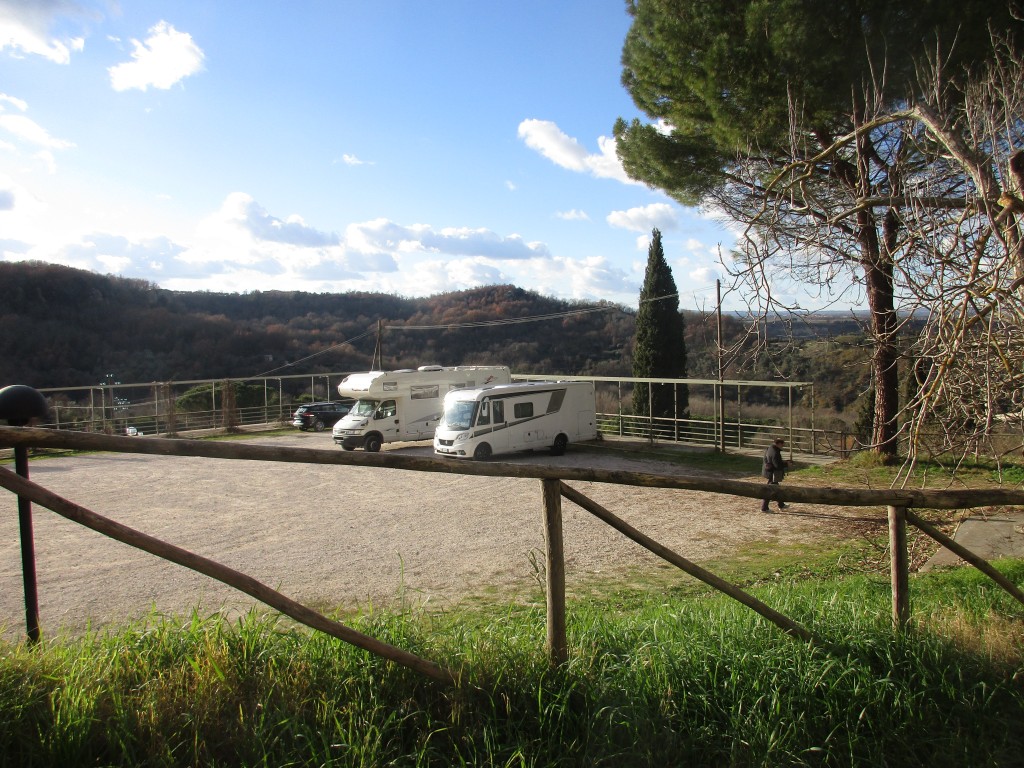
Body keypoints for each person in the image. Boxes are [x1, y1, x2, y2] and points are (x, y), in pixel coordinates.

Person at [761, 437, 790, 512]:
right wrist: (786, 464)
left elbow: (769, 460)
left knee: (776, 489)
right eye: (782, 444)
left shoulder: (769, 448)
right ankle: (764, 508)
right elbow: (777, 465)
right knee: (770, 490)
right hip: (772, 473)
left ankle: (781, 505)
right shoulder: (775, 452)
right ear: (779, 444)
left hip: (769, 471)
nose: (782, 446)